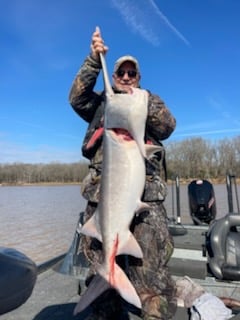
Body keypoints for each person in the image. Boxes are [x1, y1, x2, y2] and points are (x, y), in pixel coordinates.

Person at [69, 27, 177, 320]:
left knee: (151, 272)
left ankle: (153, 312)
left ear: (139, 78)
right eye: (121, 74)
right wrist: (94, 60)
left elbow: (168, 126)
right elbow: (77, 97)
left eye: (132, 74)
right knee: (98, 267)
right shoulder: (101, 105)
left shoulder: (146, 102)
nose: (126, 78)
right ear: (113, 76)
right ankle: (105, 301)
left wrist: (142, 101)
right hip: (103, 198)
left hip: (147, 201)